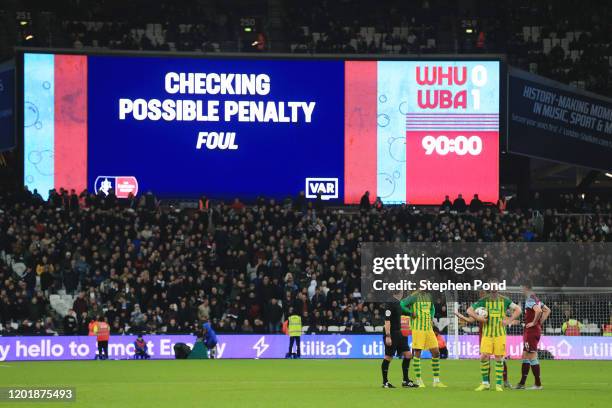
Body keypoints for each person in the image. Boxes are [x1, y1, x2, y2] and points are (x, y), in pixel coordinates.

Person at [454, 291, 512, 388]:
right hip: (484, 335)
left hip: (497, 334)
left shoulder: (495, 305)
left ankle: (504, 380)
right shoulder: (480, 307)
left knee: (500, 358)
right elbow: (471, 320)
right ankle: (486, 382)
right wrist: (461, 316)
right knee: (485, 357)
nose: (481, 296)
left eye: (483, 294)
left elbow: (503, 317)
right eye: (480, 294)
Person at [468, 289, 521, 392]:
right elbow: (469, 310)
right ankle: (485, 384)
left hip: (499, 334)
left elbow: (518, 309)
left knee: (498, 357)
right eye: (491, 290)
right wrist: (479, 318)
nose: (493, 291)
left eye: (495, 289)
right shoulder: (484, 300)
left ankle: (498, 385)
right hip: (487, 334)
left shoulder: (504, 300)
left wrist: (509, 320)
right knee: (484, 356)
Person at [401, 290, 447, 388]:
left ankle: (436, 381)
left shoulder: (429, 296)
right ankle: (419, 380)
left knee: (436, 352)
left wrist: (431, 317)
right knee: (417, 353)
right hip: (418, 329)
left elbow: (432, 309)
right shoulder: (413, 296)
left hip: (429, 329)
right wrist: (410, 312)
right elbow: (402, 304)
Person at [516, 284, 551, 390]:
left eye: (522, 288)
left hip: (531, 331)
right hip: (532, 331)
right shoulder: (536, 299)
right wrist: (540, 322)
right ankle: (522, 383)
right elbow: (547, 310)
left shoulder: (530, 299)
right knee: (525, 355)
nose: (521, 290)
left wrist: (534, 322)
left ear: (526, 288)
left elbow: (539, 311)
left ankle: (538, 384)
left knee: (532, 356)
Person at [381, 291, 417, 388]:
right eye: (401, 291)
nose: (402, 293)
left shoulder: (398, 303)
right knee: (388, 357)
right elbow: (387, 320)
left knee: (408, 355)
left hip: (399, 333)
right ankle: (385, 382)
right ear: (397, 292)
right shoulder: (389, 303)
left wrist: (411, 314)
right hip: (391, 333)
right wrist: (388, 336)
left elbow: (403, 312)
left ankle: (405, 381)